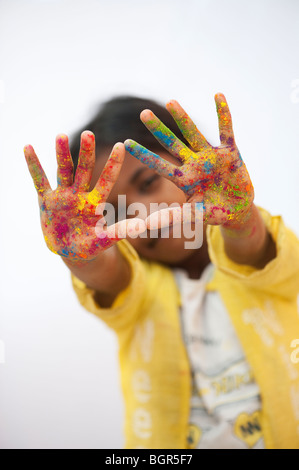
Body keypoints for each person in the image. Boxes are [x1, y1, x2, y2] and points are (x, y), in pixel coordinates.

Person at [24, 93, 299, 449]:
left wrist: (241, 218)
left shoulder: (260, 251)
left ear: (185, 160)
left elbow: (254, 251)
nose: (140, 214)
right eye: (114, 212)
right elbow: (107, 274)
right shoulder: (139, 291)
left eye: (148, 182)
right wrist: (78, 256)